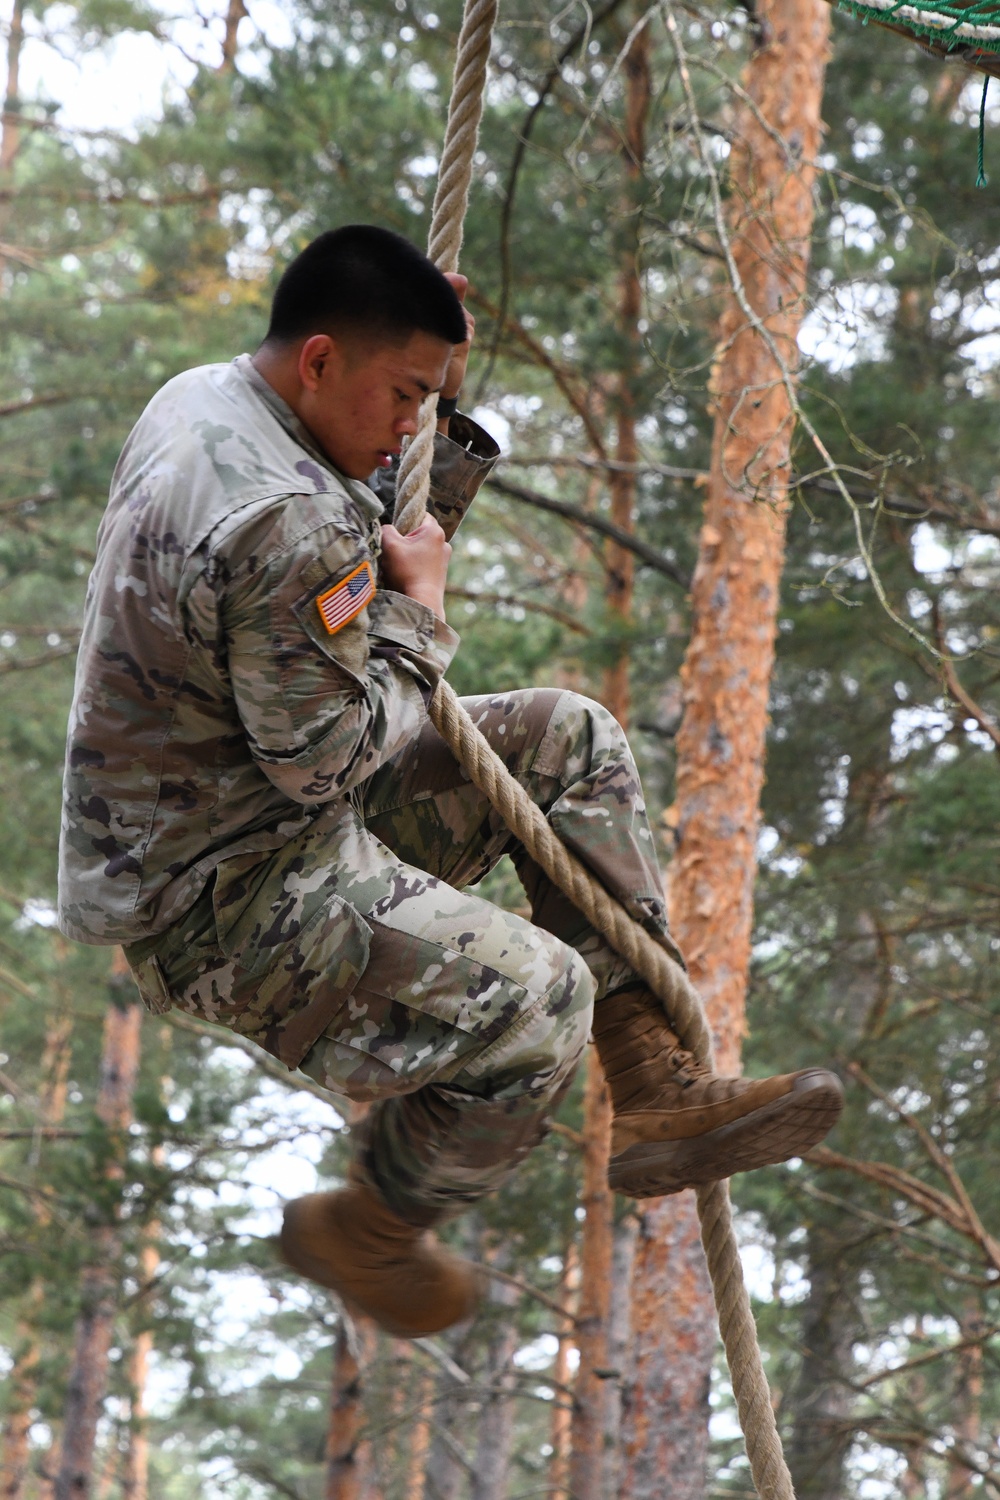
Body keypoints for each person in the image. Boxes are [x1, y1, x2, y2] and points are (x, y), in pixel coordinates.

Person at [58, 225, 843, 1338]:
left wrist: (424, 402)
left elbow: (335, 578)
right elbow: (324, 755)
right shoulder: (291, 521)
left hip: (245, 811)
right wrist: (420, 619)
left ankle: (652, 1086)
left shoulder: (209, 398)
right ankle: (372, 1222)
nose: (411, 421)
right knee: (540, 1002)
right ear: (321, 359)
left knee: (566, 739)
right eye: (405, 392)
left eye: (428, 393)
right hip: (225, 898)